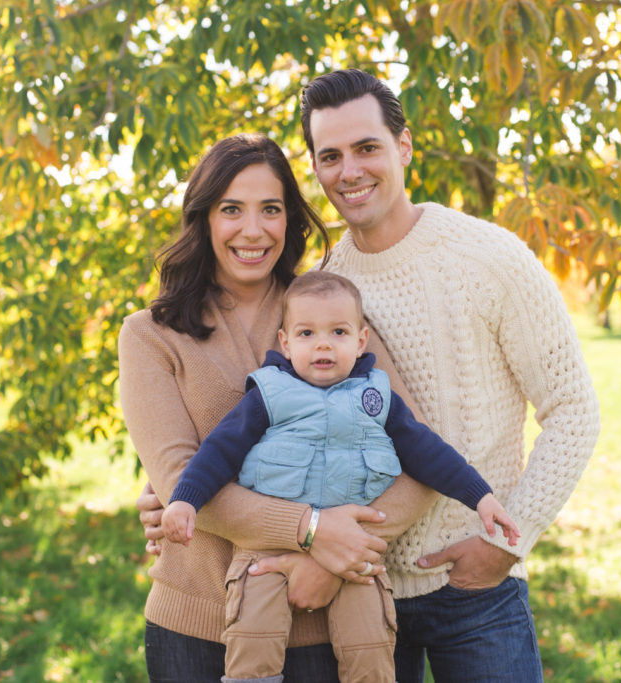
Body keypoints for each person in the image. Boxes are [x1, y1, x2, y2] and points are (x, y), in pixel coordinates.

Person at [138, 69, 600, 682]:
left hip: (463, 584)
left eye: (367, 148)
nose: (349, 170)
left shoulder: (485, 259)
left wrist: (505, 543)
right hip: (353, 596)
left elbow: (559, 410)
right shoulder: (326, 286)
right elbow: (245, 440)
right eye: (330, 156)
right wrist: (177, 497)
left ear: (403, 147)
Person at [119, 132, 441, 683]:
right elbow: (180, 481)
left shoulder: (331, 316)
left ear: (290, 219)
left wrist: (327, 561)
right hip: (199, 631)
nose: (253, 230)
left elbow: (419, 463)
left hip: (337, 629)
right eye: (231, 210)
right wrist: (311, 531)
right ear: (203, 219)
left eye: (271, 209)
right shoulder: (150, 335)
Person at [161, 270, 520, 683]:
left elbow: (427, 451)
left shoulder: (375, 396)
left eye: (338, 332)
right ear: (285, 342)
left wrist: (481, 496)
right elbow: (219, 451)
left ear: (361, 340)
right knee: (252, 639)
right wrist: (185, 499)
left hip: (354, 556)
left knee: (370, 648)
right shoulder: (269, 394)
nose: (324, 344)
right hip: (266, 552)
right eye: (307, 333)